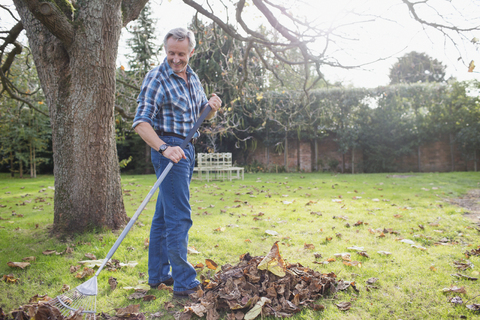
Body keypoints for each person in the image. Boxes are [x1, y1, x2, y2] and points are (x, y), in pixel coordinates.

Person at [132, 27, 221, 297]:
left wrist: (212, 109)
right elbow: (141, 122)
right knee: (179, 217)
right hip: (170, 151)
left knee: (163, 216)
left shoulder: (192, 77)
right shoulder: (157, 78)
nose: (175, 59)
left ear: (191, 52)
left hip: (187, 149)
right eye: (171, 52)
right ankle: (185, 283)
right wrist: (163, 148)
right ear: (166, 50)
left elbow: (201, 118)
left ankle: (159, 274)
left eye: (181, 54)